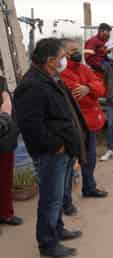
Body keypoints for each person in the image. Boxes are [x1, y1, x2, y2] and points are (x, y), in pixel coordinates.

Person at [14, 38, 86, 257]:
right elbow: (31, 126)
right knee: (50, 199)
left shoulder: (51, 78)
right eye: (62, 57)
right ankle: (47, 244)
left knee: (57, 197)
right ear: (50, 60)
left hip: (63, 151)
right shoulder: (32, 85)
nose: (65, 60)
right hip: (51, 154)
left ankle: (58, 229)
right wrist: (56, 146)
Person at [60, 38, 108, 216]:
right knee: (70, 164)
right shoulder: (62, 72)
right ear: (64, 53)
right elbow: (75, 94)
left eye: (77, 49)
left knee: (90, 158)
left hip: (91, 123)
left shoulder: (85, 69)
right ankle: (66, 202)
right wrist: (90, 91)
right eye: (72, 50)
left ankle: (89, 187)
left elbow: (101, 88)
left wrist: (88, 88)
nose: (76, 52)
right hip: (74, 125)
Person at [0, 75, 22, 228]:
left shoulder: (1, 82)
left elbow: (7, 103)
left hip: (5, 137)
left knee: (5, 178)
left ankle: (6, 214)